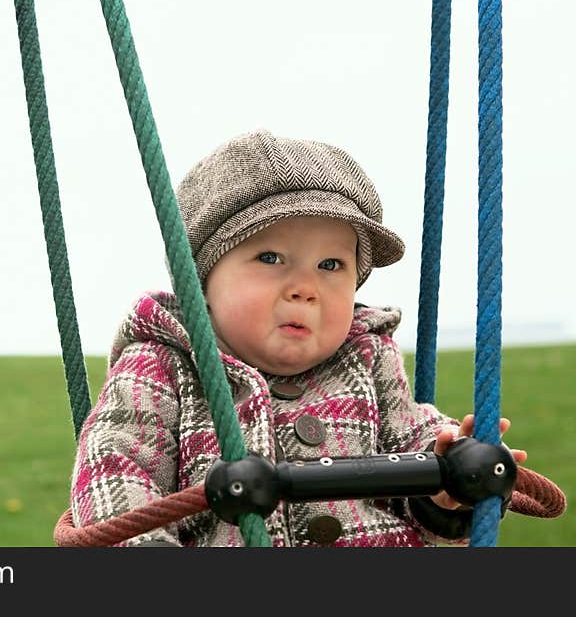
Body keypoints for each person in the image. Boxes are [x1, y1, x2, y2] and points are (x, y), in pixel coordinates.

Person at [69, 128, 526, 546]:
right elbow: (113, 472)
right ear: (200, 281)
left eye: (331, 266)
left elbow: (412, 436)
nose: (305, 287)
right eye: (270, 257)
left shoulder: (365, 356)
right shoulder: (161, 365)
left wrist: (450, 471)